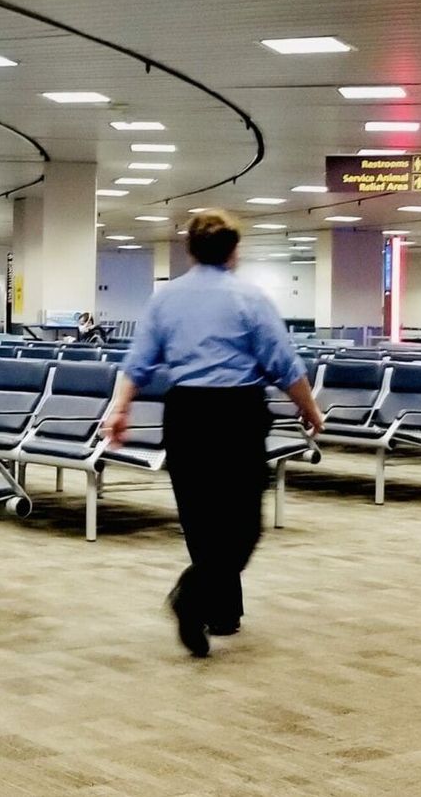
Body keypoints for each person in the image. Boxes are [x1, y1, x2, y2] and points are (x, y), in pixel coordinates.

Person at [102, 210, 324, 658]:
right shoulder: (249, 298)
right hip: (236, 415)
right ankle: (193, 594)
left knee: (201, 519)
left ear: (189, 250)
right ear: (234, 251)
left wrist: (118, 409)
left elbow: (138, 362)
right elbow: (283, 364)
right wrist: (310, 409)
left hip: (185, 413)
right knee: (243, 525)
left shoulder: (165, 300)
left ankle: (221, 611)